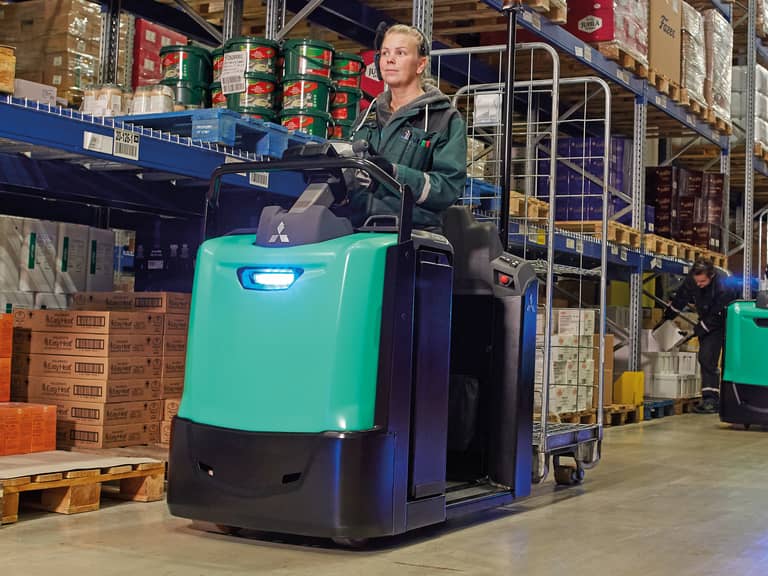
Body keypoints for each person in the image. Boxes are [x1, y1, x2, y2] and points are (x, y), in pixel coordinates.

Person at [348, 23, 467, 230]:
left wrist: (395, 173)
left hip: (412, 234)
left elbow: (448, 187)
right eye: (385, 53)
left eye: (400, 53)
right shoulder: (367, 116)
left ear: (421, 64)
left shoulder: (443, 118)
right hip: (358, 228)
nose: (390, 60)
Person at [663, 259, 738, 414]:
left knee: (730, 359)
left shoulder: (724, 284)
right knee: (706, 357)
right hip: (707, 318)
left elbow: (719, 312)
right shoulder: (692, 280)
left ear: (711, 276)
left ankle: (731, 397)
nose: (699, 284)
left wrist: (701, 328)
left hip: (728, 320)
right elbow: (682, 296)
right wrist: (668, 315)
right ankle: (710, 399)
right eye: (697, 281)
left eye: (702, 281)